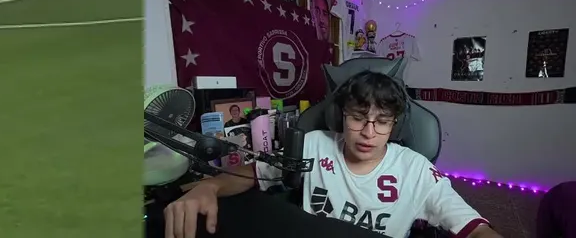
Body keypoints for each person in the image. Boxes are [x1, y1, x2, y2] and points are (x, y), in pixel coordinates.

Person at [163, 71, 499, 238]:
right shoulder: (313, 145)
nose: (368, 132)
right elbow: (253, 174)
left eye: (382, 122)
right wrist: (210, 186)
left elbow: (474, 227)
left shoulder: (416, 170)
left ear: (395, 126)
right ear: (340, 117)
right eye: (358, 118)